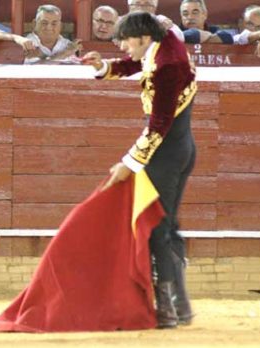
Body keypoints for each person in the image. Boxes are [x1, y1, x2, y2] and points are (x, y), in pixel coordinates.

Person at [82, 11, 197, 328]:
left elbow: (159, 126)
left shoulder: (167, 66)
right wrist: (104, 68)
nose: (121, 47)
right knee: (167, 227)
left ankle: (167, 310)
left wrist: (128, 163)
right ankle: (180, 307)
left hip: (166, 152)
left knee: (157, 228)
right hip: (178, 147)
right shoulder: (162, 44)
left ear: (144, 38)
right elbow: (138, 63)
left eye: (125, 41)